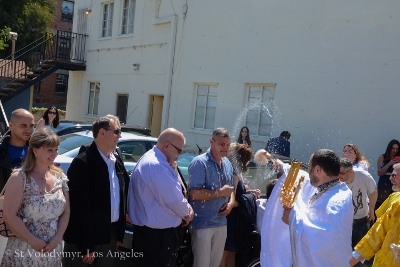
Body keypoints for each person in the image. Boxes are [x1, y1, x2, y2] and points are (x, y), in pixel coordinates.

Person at [63, 115, 129, 266]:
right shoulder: (83, 162)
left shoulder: (116, 160)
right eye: (117, 131)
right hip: (84, 240)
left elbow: (122, 196)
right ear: (101, 132)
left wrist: (118, 234)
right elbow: (79, 208)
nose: (120, 136)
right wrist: (86, 245)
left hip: (109, 236)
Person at [1, 128, 70, 266]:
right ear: (35, 150)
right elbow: (9, 215)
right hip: (24, 250)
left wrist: (56, 239)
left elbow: (66, 212)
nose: (54, 154)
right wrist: (33, 241)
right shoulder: (19, 178)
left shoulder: (60, 177)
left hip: (52, 251)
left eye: (56, 150)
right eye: (50, 150)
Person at [128, 128, 194, 266]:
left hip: (154, 236)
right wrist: (187, 212)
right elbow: (175, 201)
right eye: (179, 150)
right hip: (157, 238)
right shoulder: (157, 165)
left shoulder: (155, 159)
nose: (180, 154)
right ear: (167, 146)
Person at [282, 149, 353, 267]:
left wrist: (291, 217)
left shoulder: (336, 202)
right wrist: (283, 167)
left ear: (318, 170)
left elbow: (322, 235)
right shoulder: (334, 188)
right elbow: (306, 183)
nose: (308, 172)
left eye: (309, 167)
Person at [189, 128, 235, 267]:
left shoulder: (227, 163)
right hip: (202, 223)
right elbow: (194, 194)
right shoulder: (200, 163)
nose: (225, 148)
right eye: (222, 144)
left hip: (221, 222)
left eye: (227, 145)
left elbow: (231, 189)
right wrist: (220, 193)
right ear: (211, 141)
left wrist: (231, 204)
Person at [350, 163, 400, 266]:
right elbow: (378, 233)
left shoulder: (397, 203)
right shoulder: (394, 198)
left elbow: (377, 234)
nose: (390, 178)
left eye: (394, 175)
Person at [220, 143, 259, 267]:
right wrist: (246, 200)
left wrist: (250, 192)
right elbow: (231, 201)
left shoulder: (233, 172)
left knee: (230, 252)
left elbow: (236, 194)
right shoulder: (234, 175)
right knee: (226, 253)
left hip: (233, 220)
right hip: (231, 219)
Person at [338, 158, 377, 258]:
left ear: (350, 172)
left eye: (341, 173)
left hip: (361, 219)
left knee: (359, 253)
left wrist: (371, 210)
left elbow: (373, 191)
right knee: (342, 253)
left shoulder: (363, 176)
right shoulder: (335, 179)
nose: (339, 176)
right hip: (343, 220)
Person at [0, 108, 34, 190]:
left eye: (31, 126)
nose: (28, 130)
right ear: (11, 125)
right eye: (23, 125)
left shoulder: (36, 150)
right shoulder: (1, 150)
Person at [375, 139, 400, 209]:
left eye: (397, 149)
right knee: (381, 204)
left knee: (393, 204)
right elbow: (379, 173)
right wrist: (389, 164)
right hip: (384, 182)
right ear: (389, 148)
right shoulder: (383, 157)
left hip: (396, 183)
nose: (395, 151)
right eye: (393, 148)